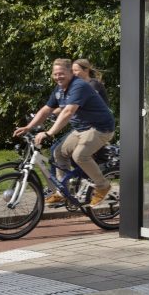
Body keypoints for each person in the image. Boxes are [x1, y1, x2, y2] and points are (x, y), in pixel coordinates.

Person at [14, 58, 116, 207]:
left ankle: (102, 185)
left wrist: (49, 133)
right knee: (58, 153)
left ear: (70, 72)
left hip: (100, 128)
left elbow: (68, 112)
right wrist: (29, 127)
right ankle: (63, 192)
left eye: (61, 73)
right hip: (81, 129)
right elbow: (46, 110)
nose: (58, 77)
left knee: (80, 155)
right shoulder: (60, 89)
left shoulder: (78, 86)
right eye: (55, 74)